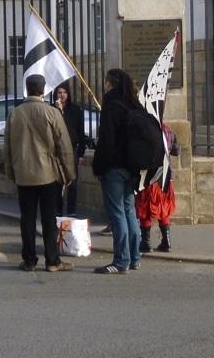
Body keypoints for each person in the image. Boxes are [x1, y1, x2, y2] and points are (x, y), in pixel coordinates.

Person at [4, 74, 76, 272]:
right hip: (48, 174)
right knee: (48, 218)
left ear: (27, 89)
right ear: (43, 90)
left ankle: (29, 259)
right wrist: (69, 173)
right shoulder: (52, 113)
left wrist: (11, 172)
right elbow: (64, 146)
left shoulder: (15, 114)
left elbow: (7, 147)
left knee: (26, 218)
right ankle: (52, 260)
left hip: (24, 173)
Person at [92, 68, 142, 274]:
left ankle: (121, 260)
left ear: (109, 83)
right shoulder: (133, 104)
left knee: (117, 214)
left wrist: (99, 166)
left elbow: (107, 142)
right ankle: (134, 257)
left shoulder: (111, 106)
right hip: (132, 167)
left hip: (114, 168)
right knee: (130, 211)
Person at [137, 121, 180, 253]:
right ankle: (166, 242)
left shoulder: (142, 130)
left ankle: (145, 243)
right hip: (166, 176)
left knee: (145, 209)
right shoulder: (167, 130)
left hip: (149, 176)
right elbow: (176, 151)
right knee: (164, 208)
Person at [54, 82, 88, 216]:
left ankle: (72, 211)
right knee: (57, 183)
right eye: (59, 93)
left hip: (71, 150)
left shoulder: (75, 110)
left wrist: (81, 153)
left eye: (64, 93)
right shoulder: (53, 110)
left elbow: (79, 133)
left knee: (72, 182)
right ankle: (58, 211)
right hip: (56, 150)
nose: (62, 95)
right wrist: (58, 111)